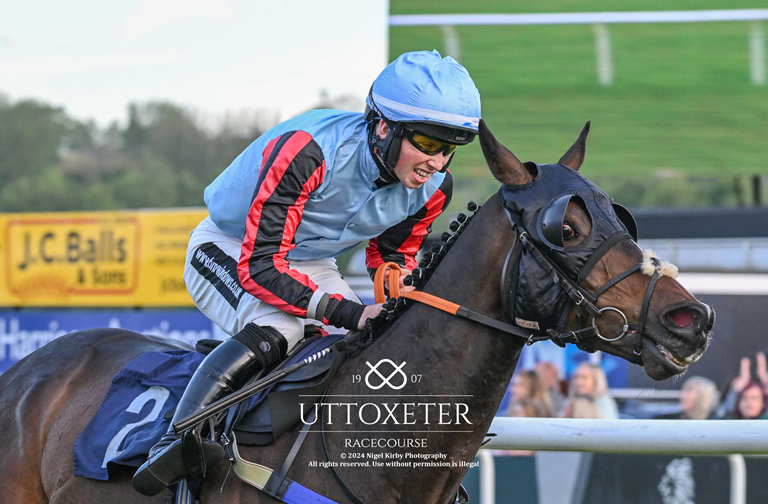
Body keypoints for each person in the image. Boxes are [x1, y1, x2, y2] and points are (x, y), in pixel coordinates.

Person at [132, 50, 482, 495]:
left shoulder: (434, 189)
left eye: (449, 149)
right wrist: (351, 313)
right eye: (429, 144)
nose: (438, 163)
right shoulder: (308, 151)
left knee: (364, 348)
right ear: (382, 127)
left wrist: (399, 289)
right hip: (232, 247)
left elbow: (391, 255)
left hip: (311, 262)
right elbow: (261, 268)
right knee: (280, 327)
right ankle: (178, 440)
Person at [716, 353, 768, 419]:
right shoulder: (729, 421)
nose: (749, 403)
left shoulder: (765, 421)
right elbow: (722, 413)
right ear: (738, 403)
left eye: (755, 398)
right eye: (744, 398)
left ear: (763, 403)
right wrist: (735, 390)